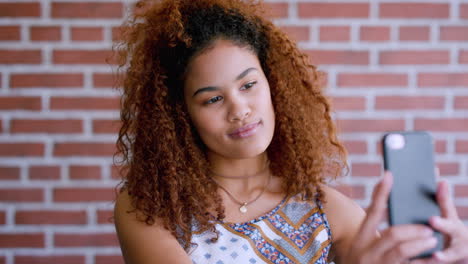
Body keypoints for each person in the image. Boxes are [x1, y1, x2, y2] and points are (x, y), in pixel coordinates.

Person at [112, 0, 468, 263]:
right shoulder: (149, 210)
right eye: (213, 99)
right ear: (180, 115)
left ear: (274, 86)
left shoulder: (331, 212)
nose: (240, 109)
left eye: (249, 85)